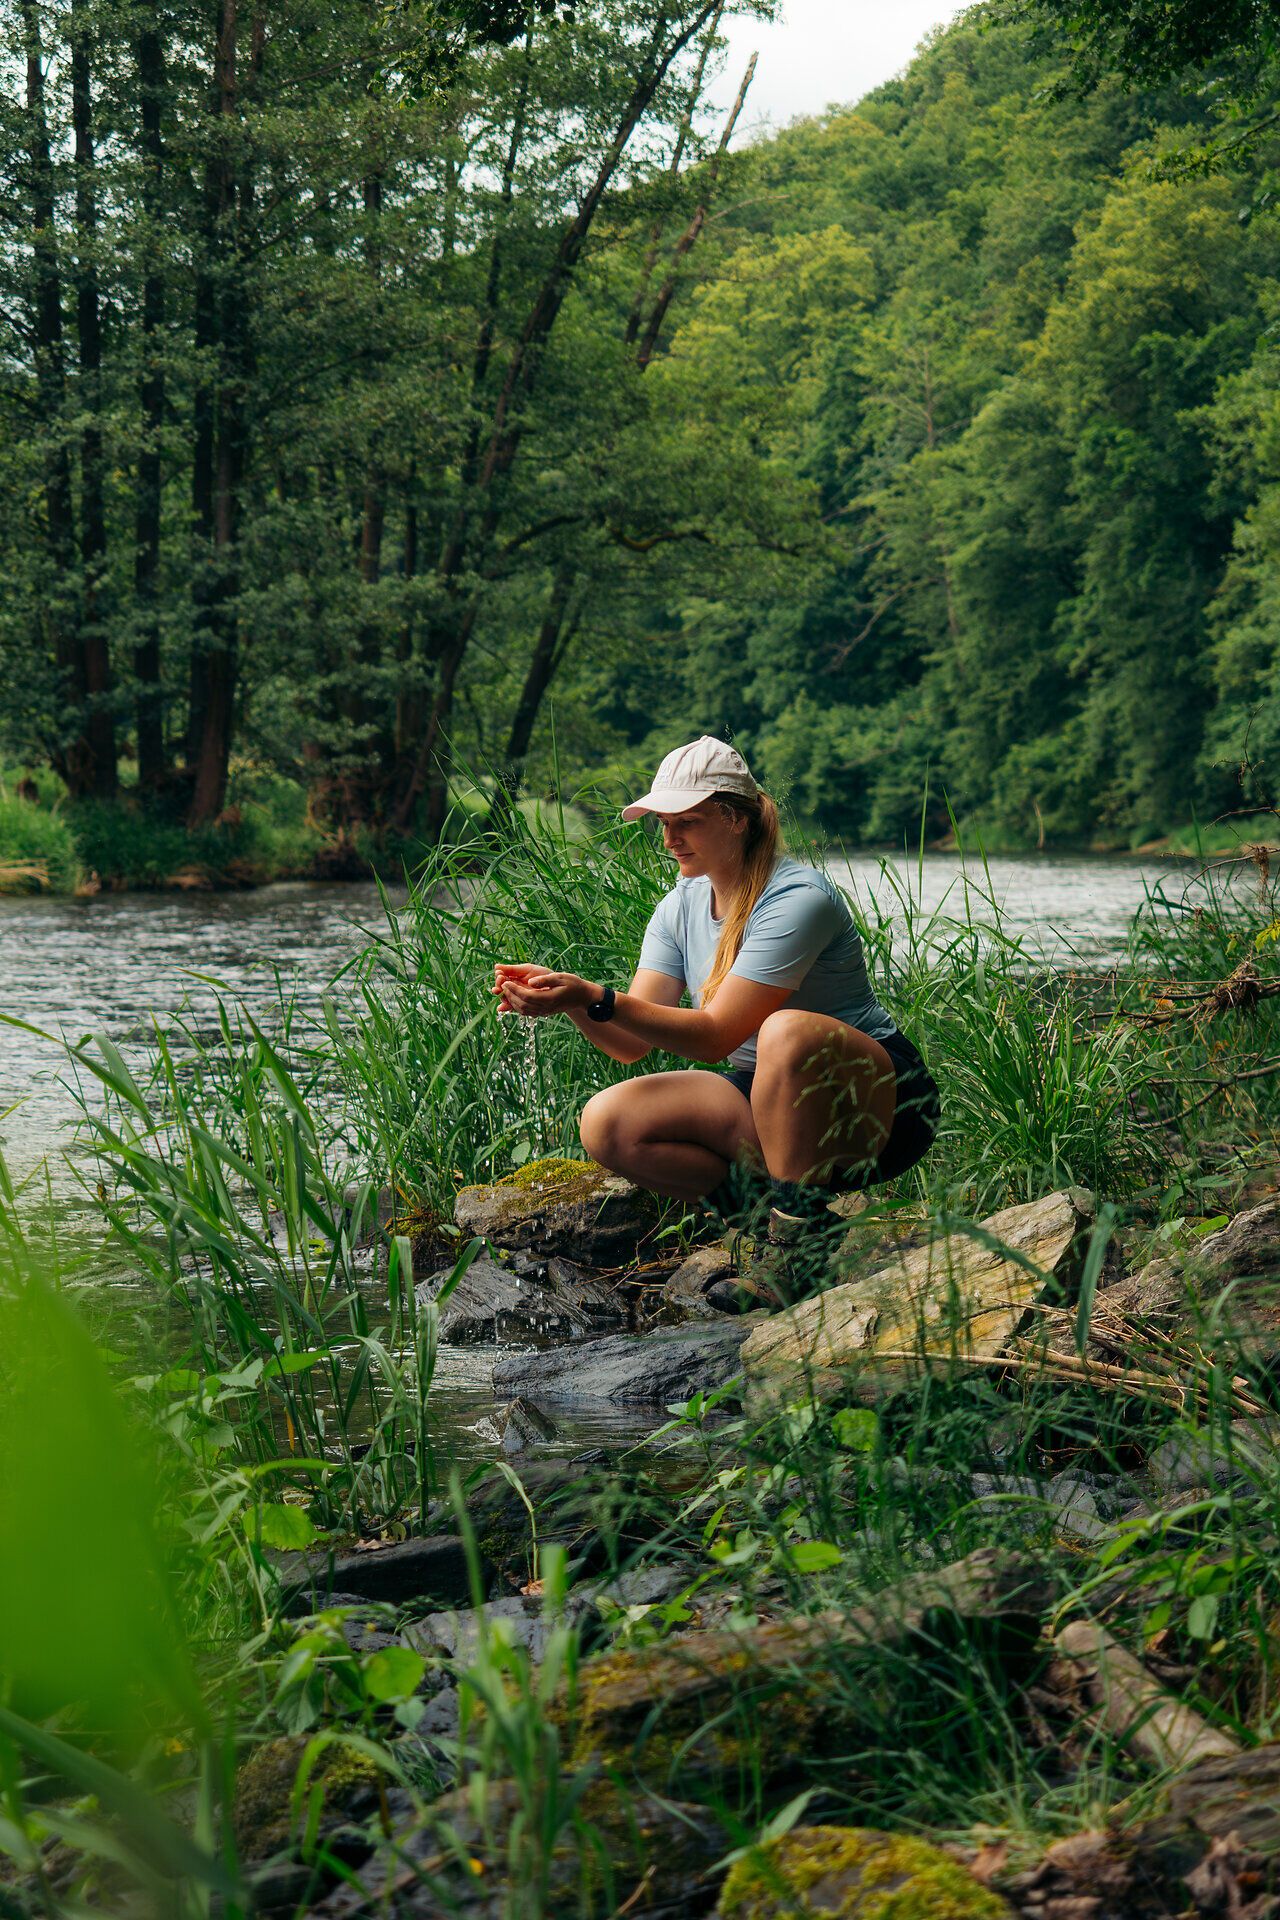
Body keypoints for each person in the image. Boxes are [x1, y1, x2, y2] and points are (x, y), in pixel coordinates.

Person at [492, 737, 940, 1298]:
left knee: (785, 1029)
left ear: (735, 821)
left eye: (687, 821)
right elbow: (629, 1044)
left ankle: (790, 1259)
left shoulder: (798, 898)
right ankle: (785, 1231)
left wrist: (596, 993)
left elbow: (716, 1036)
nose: (669, 837)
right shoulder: (679, 905)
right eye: (662, 822)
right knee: (607, 1121)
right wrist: (575, 1001)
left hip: (879, 1108)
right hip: (766, 1099)